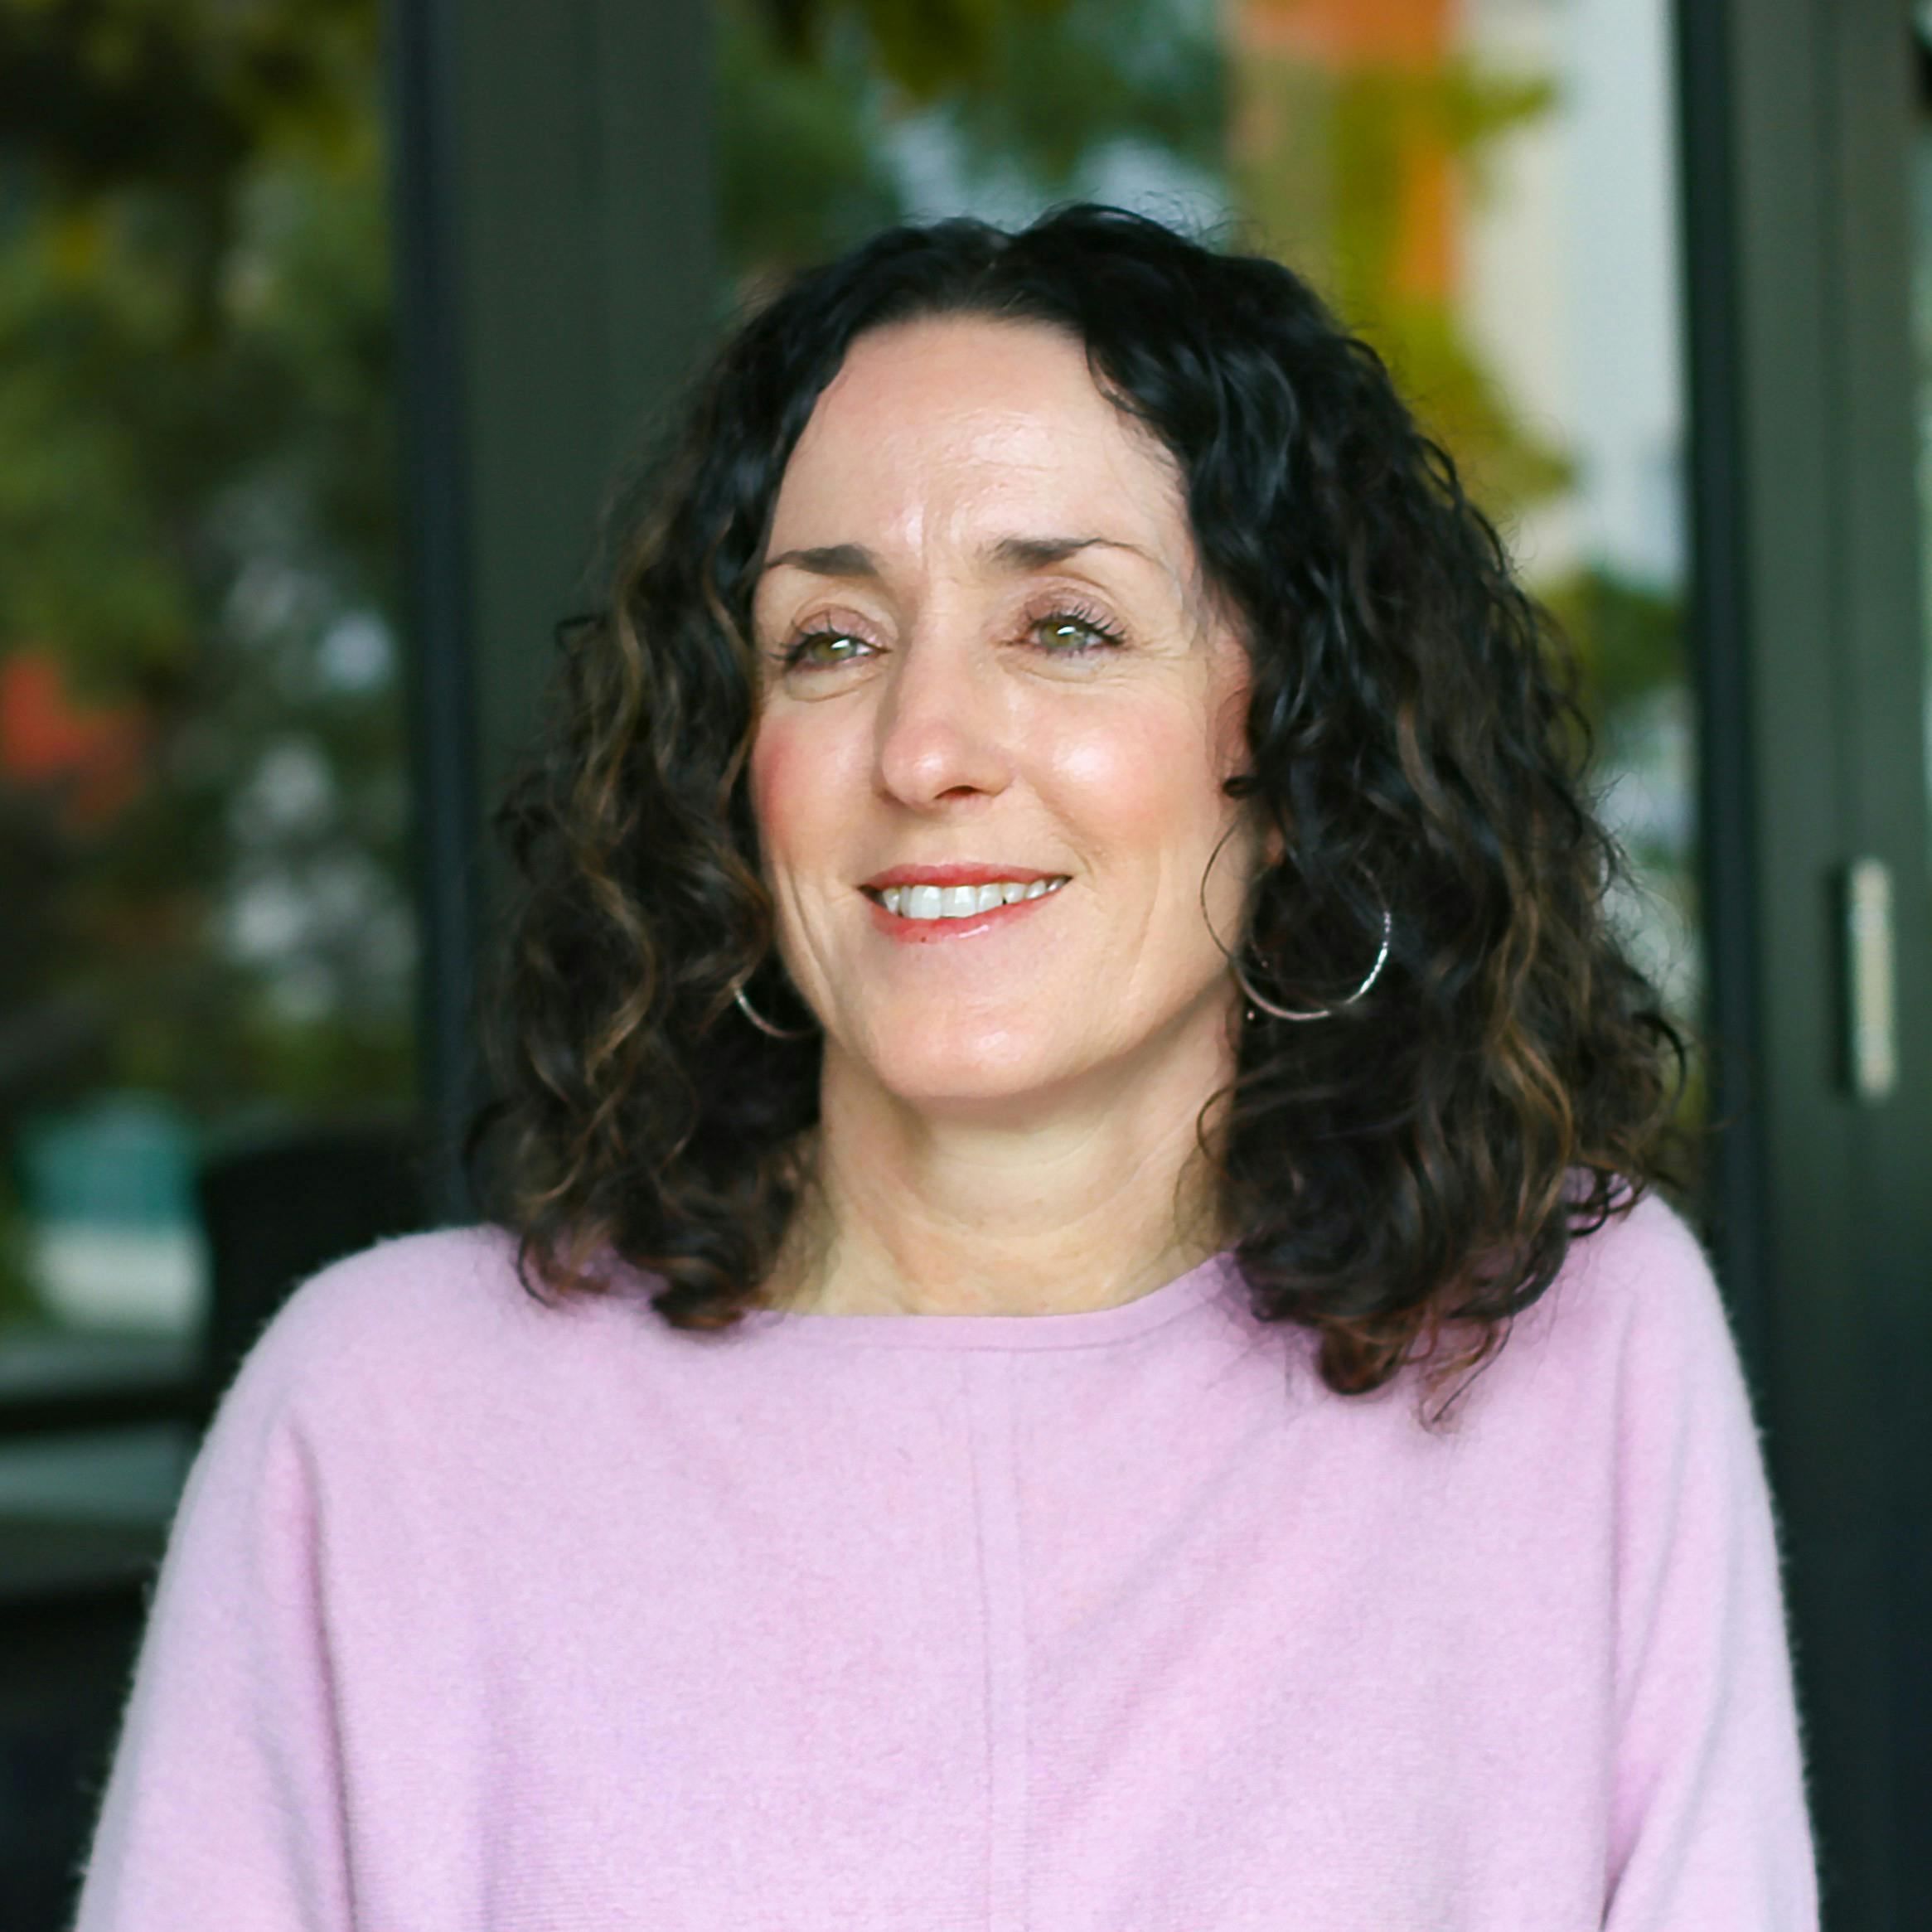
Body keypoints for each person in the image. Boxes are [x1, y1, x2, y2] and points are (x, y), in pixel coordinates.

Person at [73, 205, 1818, 1929]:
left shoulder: (1569, 1344)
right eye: (828, 641)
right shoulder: (383, 1423)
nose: (919, 746)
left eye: (1061, 624)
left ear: (1291, 751)